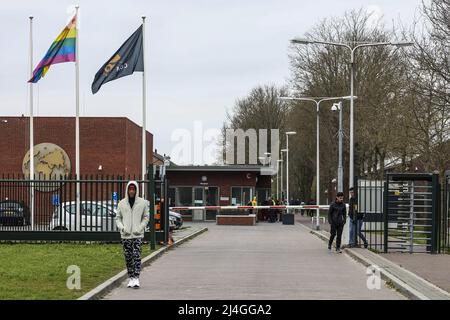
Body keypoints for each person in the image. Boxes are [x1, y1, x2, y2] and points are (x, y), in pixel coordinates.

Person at [116, 181, 150, 289]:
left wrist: (139, 228)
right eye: (130, 189)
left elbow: (146, 217)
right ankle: (130, 277)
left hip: (137, 235)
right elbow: (118, 218)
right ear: (127, 190)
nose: (131, 191)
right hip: (125, 235)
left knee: (136, 256)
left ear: (136, 190)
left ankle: (136, 278)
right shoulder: (121, 203)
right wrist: (122, 228)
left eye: (133, 189)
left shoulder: (143, 203)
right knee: (128, 257)